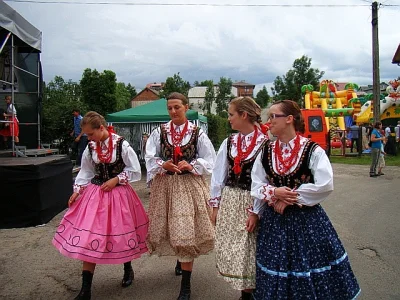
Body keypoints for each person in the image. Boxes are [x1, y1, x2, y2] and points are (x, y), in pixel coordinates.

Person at [250, 100, 360, 299]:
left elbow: (325, 184)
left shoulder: (312, 150)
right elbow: (256, 184)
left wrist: (291, 197)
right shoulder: (266, 151)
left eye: (273, 116)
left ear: (289, 119)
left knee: (308, 266)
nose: (269, 121)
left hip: (307, 221)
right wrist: (275, 193)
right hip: (275, 222)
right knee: (276, 268)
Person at [52, 111, 149, 300]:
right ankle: (85, 289)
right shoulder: (91, 147)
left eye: (91, 134)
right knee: (88, 237)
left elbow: (135, 170)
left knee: (122, 233)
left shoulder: (122, 145)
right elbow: (86, 171)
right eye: (87, 135)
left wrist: (116, 180)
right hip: (95, 194)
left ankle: (127, 269)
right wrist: (77, 190)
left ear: (101, 128)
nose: (89, 138)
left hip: (118, 194)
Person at [145, 92, 216, 300]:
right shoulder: (159, 132)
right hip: (166, 184)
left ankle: (185, 286)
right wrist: (162, 164)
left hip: (188, 185)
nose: (173, 111)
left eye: (177, 107)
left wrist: (192, 164)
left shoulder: (197, 132)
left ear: (186, 107)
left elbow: (209, 159)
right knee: (170, 226)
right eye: (170, 108)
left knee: (185, 228)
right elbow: (150, 155)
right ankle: (180, 260)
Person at [209, 97, 268, 300]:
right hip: (231, 201)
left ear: (244, 115)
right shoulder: (229, 142)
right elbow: (218, 175)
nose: (228, 119)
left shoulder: (265, 144)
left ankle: (250, 294)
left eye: (231, 114)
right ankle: (246, 294)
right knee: (233, 248)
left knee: (250, 250)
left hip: (252, 202)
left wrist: (257, 210)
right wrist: (215, 205)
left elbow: (265, 181)